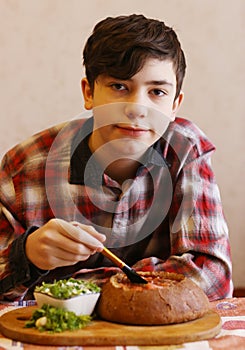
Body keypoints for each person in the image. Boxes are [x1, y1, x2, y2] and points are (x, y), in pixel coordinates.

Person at [0, 14, 233, 301]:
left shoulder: (186, 150)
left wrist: (73, 291)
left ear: (174, 105)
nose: (137, 108)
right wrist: (27, 257)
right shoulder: (23, 168)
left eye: (157, 92)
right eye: (119, 87)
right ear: (89, 93)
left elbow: (213, 276)